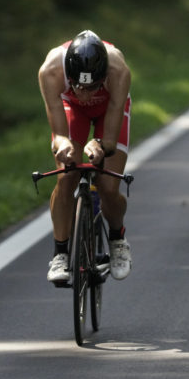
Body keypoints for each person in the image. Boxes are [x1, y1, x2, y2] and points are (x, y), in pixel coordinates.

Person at [38, 30, 133, 284]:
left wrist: (101, 144)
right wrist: (64, 144)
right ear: (69, 75)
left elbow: (111, 136)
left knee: (108, 185)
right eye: (79, 86)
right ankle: (60, 253)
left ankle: (117, 238)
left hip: (110, 109)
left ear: (103, 77)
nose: (86, 93)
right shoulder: (51, 70)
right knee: (67, 175)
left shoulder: (119, 71)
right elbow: (59, 134)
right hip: (71, 110)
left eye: (92, 87)